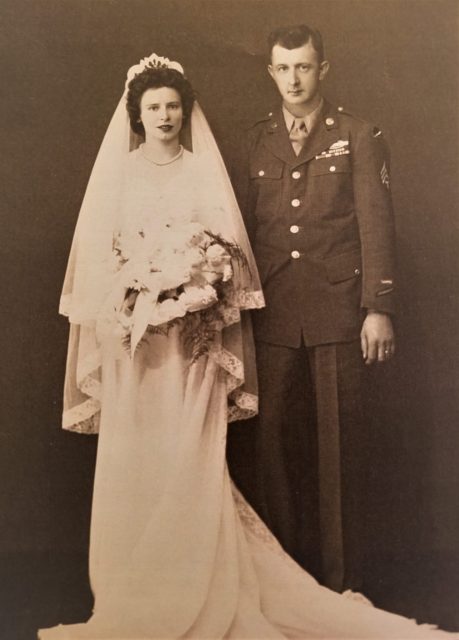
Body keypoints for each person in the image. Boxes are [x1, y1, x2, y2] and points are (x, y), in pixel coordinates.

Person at [39, 53, 454, 639]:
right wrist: (139, 298)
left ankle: (207, 584)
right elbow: (100, 263)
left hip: (192, 343)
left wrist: (196, 288)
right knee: (137, 460)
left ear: (186, 113)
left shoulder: (205, 170)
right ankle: (134, 585)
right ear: (136, 114)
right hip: (136, 347)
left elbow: (229, 253)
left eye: (173, 107)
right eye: (153, 107)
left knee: (192, 460)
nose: (164, 116)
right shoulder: (119, 175)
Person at [229, 23, 397, 594]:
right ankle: (284, 583)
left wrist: (378, 306)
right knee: (272, 445)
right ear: (270, 71)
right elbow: (244, 233)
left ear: (322, 69)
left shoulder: (356, 132)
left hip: (338, 313)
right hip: (273, 316)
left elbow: (377, 224)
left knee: (338, 448)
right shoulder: (255, 140)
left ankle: (341, 584)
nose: (294, 78)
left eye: (304, 66)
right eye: (284, 67)